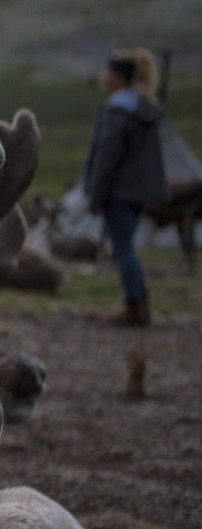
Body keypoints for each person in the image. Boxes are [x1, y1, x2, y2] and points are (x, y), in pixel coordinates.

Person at [82, 49, 169, 326]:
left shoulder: (117, 111)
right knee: (127, 247)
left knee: (123, 250)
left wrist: (95, 197)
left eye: (106, 71)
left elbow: (106, 159)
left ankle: (135, 307)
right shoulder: (143, 110)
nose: (102, 76)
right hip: (136, 192)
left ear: (118, 77)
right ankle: (139, 302)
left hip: (117, 192)